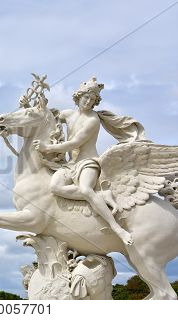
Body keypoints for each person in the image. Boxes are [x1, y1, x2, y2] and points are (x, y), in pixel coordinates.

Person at [33, 76, 134, 245]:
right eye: (86, 97)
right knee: (54, 186)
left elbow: (74, 143)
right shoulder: (68, 114)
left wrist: (47, 148)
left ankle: (117, 229)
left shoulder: (92, 120)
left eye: (92, 99)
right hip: (70, 164)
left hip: (89, 162)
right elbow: (45, 116)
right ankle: (101, 196)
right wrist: (39, 102)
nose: (88, 102)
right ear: (78, 97)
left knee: (86, 189)